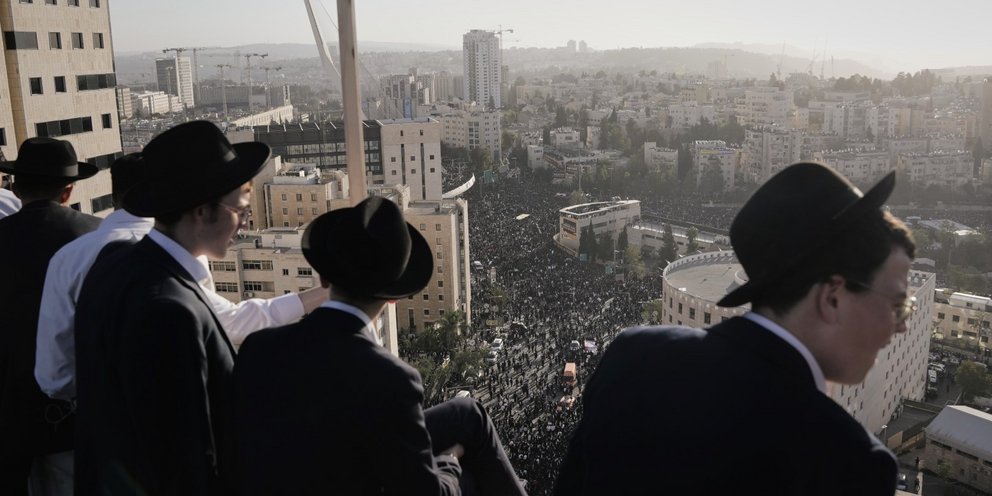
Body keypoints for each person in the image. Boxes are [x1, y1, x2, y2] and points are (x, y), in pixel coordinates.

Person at [556, 161, 914, 495]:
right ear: (833, 296)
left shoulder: (634, 356)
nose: (900, 326)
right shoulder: (847, 463)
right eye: (898, 304)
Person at [233, 196, 527, 495]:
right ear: (393, 297)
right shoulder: (391, 379)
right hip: (350, 475)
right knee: (469, 437)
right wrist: (449, 461)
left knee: (467, 414)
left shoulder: (258, 348)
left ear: (322, 278)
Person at [73, 121, 270, 495]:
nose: (244, 224)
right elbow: (182, 458)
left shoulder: (114, 262)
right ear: (201, 211)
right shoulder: (168, 310)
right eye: (239, 210)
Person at [35, 153, 326, 402]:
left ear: (115, 197)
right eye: (239, 210)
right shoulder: (176, 261)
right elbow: (231, 324)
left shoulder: (68, 259)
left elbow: (54, 377)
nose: (243, 223)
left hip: (81, 437)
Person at [0, 138, 101, 496]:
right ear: (69, 190)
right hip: (75, 413)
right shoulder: (94, 236)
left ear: (15, 185)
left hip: (8, 417)